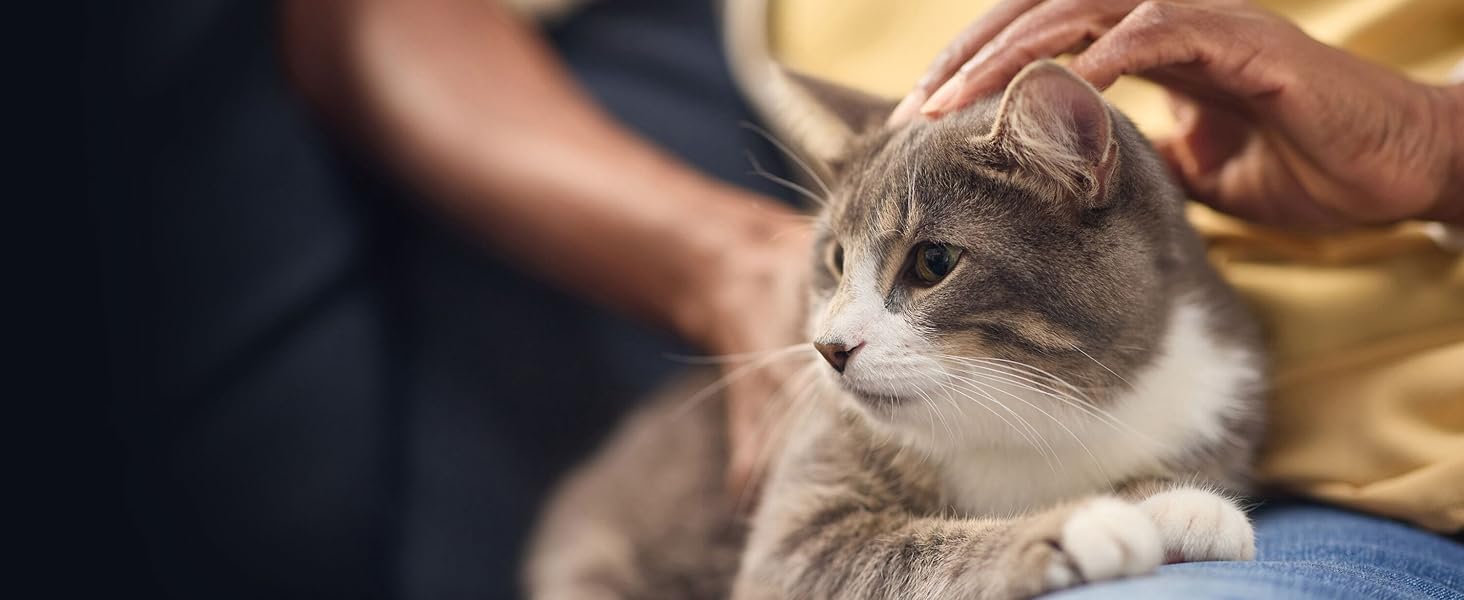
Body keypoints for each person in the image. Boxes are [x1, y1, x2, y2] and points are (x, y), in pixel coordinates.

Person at [90, 0, 1461, 598]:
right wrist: (724, 255)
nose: (835, 337)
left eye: (901, 275)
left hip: (1398, 502)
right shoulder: (871, 345)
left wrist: (1435, 143)